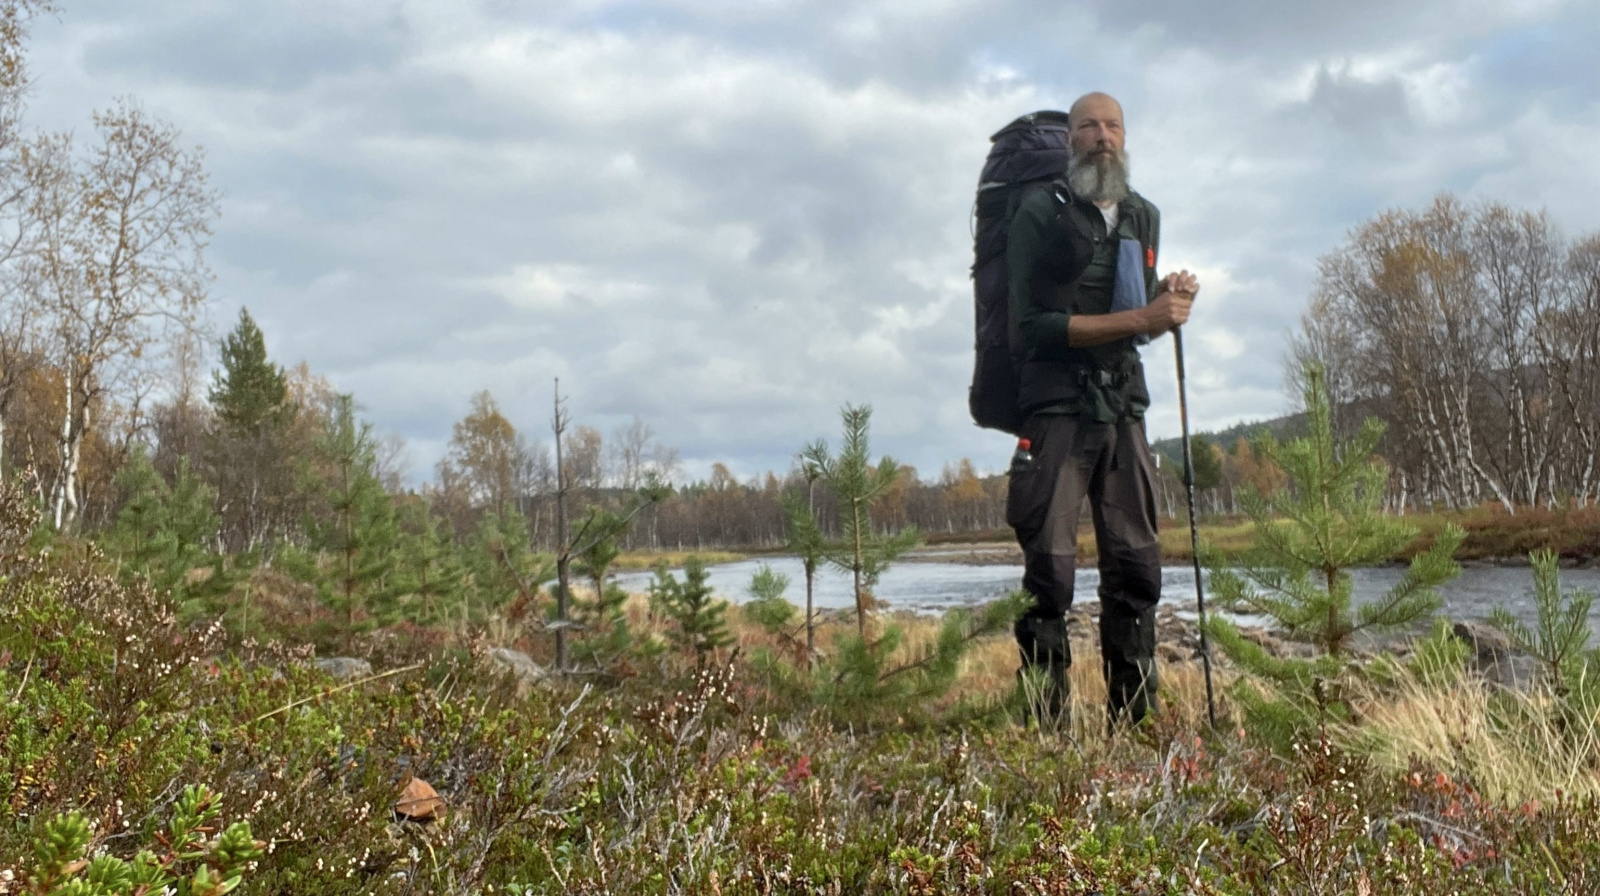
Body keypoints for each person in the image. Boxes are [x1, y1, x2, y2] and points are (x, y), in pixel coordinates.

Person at [1004, 92, 1198, 726]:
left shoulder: (1143, 215)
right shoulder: (1038, 212)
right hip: (1056, 409)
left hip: (1124, 408)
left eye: (1113, 125)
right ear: (1071, 139)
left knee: (1138, 567)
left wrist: (1166, 303)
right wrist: (1143, 317)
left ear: (1125, 136)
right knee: (1049, 576)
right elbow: (1029, 327)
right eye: (1089, 126)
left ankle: (1134, 724)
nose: (1102, 136)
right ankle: (1045, 732)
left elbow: (1134, 319)